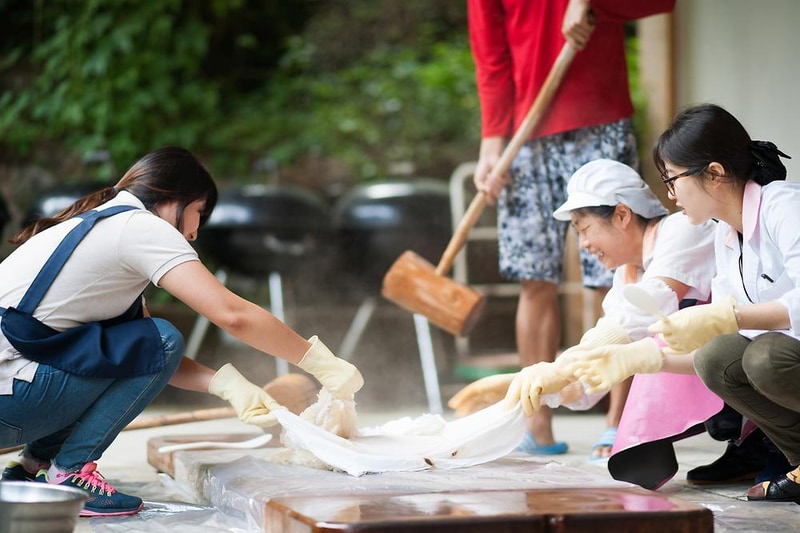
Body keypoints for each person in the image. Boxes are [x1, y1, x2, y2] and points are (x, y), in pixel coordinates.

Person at [0, 146, 364, 517]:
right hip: (11, 401)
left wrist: (227, 385)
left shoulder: (100, 223)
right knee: (161, 336)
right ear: (175, 199)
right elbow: (230, 315)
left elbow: (143, 358)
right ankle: (69, 474)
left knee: (147, 341)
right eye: (199, 213)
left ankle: (30, 470)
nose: (193, 233)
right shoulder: (141, 227)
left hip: (12, 398)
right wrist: (319, 361)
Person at [539, 103, 796, 502]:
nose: (671, 193)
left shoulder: (783, 206)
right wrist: (648, 360)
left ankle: (760, 450)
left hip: (780, 358)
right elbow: (727, 337)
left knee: (761, 356)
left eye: (673, 179)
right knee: (717, 357)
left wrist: (730, 314)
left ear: (713, 173)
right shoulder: (725, 236)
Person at [468, 0, 675, 455]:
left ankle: (620, 422)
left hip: (599, 117)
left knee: (616, 271)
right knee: (534, 277)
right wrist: (492, 137)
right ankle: (534, 422)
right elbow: (491, 55)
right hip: (524, 128)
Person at [450, 159, 724, 485]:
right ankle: (745, 446)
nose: (582, 244)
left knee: (662, 342)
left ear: (622, 215)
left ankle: (763, 443)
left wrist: (556, 369)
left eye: (584, 228)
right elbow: (594, 377)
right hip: (715, 366)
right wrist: (530, 388)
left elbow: (634, 320)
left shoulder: (682, 230)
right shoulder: (627, 274)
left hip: (754, 351)